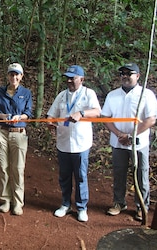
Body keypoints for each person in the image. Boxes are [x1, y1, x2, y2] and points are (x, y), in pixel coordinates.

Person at [101, 62, 157, 221]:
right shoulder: (113, 95)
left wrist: (131, 135)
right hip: (118, 142)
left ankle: (142, 206)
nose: (124, 76)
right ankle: (119, 202)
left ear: (138, 76)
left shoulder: (146, 94)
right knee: (119, 174)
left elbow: (151, 119)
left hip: (139, 144)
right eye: (122, 73)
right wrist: (119, 134)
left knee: (141, 175)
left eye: (129, 73)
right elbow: (105, 118)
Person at [47, 65, 101, 222]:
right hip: (63, 142)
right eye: (68, 78)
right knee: (64, 176)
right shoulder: (62, 95)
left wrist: (81, 113)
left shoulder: (88, 94)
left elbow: (97, 112)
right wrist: (50, 123)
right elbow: (51, 114)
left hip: (81, 143)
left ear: (82, 79)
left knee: (80, 176)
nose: (69, 81)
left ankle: (82, 207)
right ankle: (65, 204)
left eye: (73, 78)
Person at [0, 63, 33, 216]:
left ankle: (18, 202)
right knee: (3, 167)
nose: (14, 77)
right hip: (1, 132)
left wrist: (19, 117)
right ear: (7, 76)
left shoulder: (26, 93)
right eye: (11, 74)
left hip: (18, 132)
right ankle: (5, 199)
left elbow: (28, 113)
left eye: (17, 75)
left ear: (21, 76)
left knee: (18, 168)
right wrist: (2, 116)